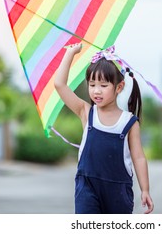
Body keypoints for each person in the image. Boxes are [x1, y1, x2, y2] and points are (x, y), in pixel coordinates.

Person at [54, 43, 154, 214]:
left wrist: (145, 189)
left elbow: (138, 157)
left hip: (118, 191)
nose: (96, 91)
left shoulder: (129, 122)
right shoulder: (86, 112)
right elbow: (59, 85)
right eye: (92, 85)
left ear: (119, 87)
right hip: (87, 188)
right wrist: (70, 53)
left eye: (103, 85)